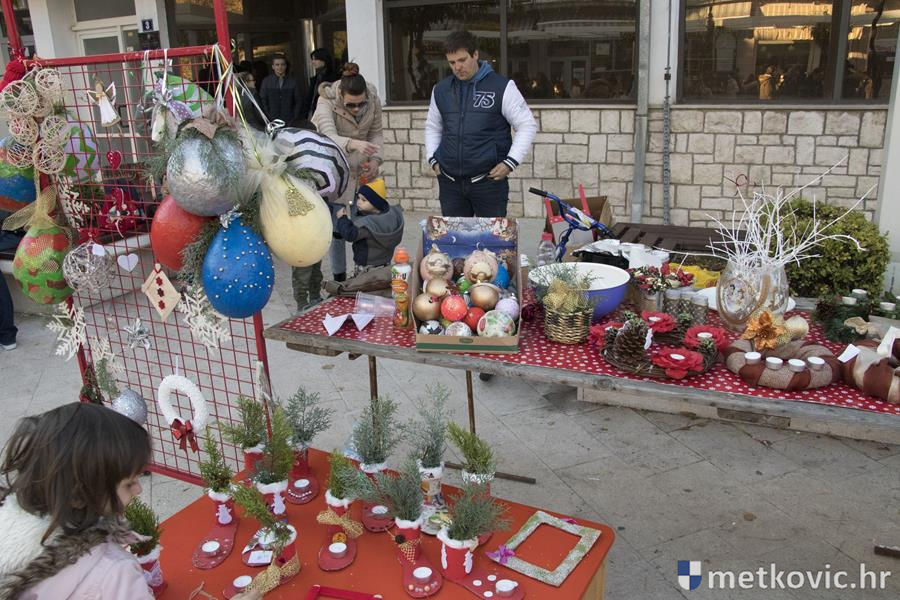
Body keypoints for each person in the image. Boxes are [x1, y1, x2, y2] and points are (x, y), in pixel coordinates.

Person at [0, 403, 260, 599]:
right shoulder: (112, 573)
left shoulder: (11, 534)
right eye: (128, 483)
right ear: (79, 496)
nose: (138, 489)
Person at [425, 30, 537, 218]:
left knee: (490, 237)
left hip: (488, 183)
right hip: (450, 184)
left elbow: (527, 125)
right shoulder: (441, 90)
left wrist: (510, 162)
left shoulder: (502, 87)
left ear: (475, 54)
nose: (457, 67)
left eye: (462, 60)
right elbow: (433, 126)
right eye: (452, 62)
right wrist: (432, 159)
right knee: (455, 236)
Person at [310, 62, 384, 288]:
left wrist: (375, 160)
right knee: (338, 230)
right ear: (341, 95)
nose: (357, 109)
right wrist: (353, 143)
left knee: (366, 225)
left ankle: (365, 275)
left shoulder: (373, 98)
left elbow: (376, 133)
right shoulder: (326, 101)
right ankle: (339, 281)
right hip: (335, 173)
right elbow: (328, 136)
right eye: (351, 105)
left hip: (362, 171)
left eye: (361, 104)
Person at [334, 178, 404, 273]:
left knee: (363, 282)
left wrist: (342, 218)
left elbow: (350, 234)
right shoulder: (392, 214)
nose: (358, 202)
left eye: (364, 200)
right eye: (358, 198)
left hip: (366, 266)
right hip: (385, 262)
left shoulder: (367, 225)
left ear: (376, 203)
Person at [259, 54, 304, 125]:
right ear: (273, 67)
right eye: (277, 65)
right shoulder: (266, 81)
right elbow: (263, 101)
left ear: (286, 66)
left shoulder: (293, 81)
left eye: (282, 64)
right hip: (271, 121)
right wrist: (268, 117)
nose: (280, 67)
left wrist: (294, 117)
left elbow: (298, 101)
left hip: (290, 121)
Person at [301, 48, 338, 121]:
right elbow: (309, 99)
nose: (313, 62)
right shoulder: (316, 78)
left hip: (327, 114)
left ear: (324, 59)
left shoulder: (334, 78)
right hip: (312, 114)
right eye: (312, 59)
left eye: (315, 59)